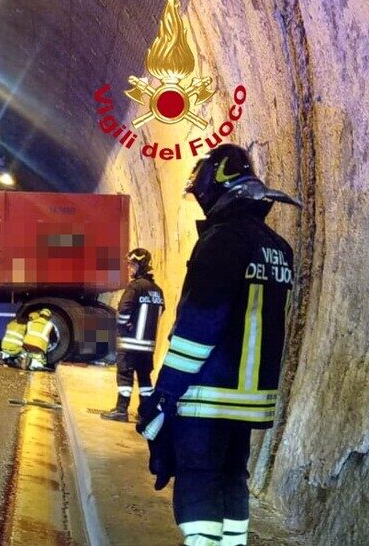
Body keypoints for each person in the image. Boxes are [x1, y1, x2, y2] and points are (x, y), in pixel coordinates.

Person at [136, 143, 300, 546]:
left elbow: (198, 326)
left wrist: (164, 393)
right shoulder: (279, 248)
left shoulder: (220, 241)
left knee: (198, 479)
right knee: (232, 478)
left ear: (214, 188)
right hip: (250, 399)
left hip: (206, 394)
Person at [101, 248, 165, 422]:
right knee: (145, 379)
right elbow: (161, 311)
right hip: (148, 346)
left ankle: (121, 410)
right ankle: (146, 413)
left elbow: (123, 311)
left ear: (140, 266)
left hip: (130, 342)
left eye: (132, 265)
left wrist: (123, 326)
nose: (129, 268)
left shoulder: (135, 287)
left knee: (124, 375)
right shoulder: (158, 291)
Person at [20, 307, 56, 371]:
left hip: (26, 344)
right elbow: (54, 339)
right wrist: (50, 344)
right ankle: (33, 364)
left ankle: (26, 358)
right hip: (38, 346)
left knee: (30, 352)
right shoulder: (49, 324)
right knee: (39, 359)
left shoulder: (31, 322)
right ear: (49, 317)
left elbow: (25, 333)